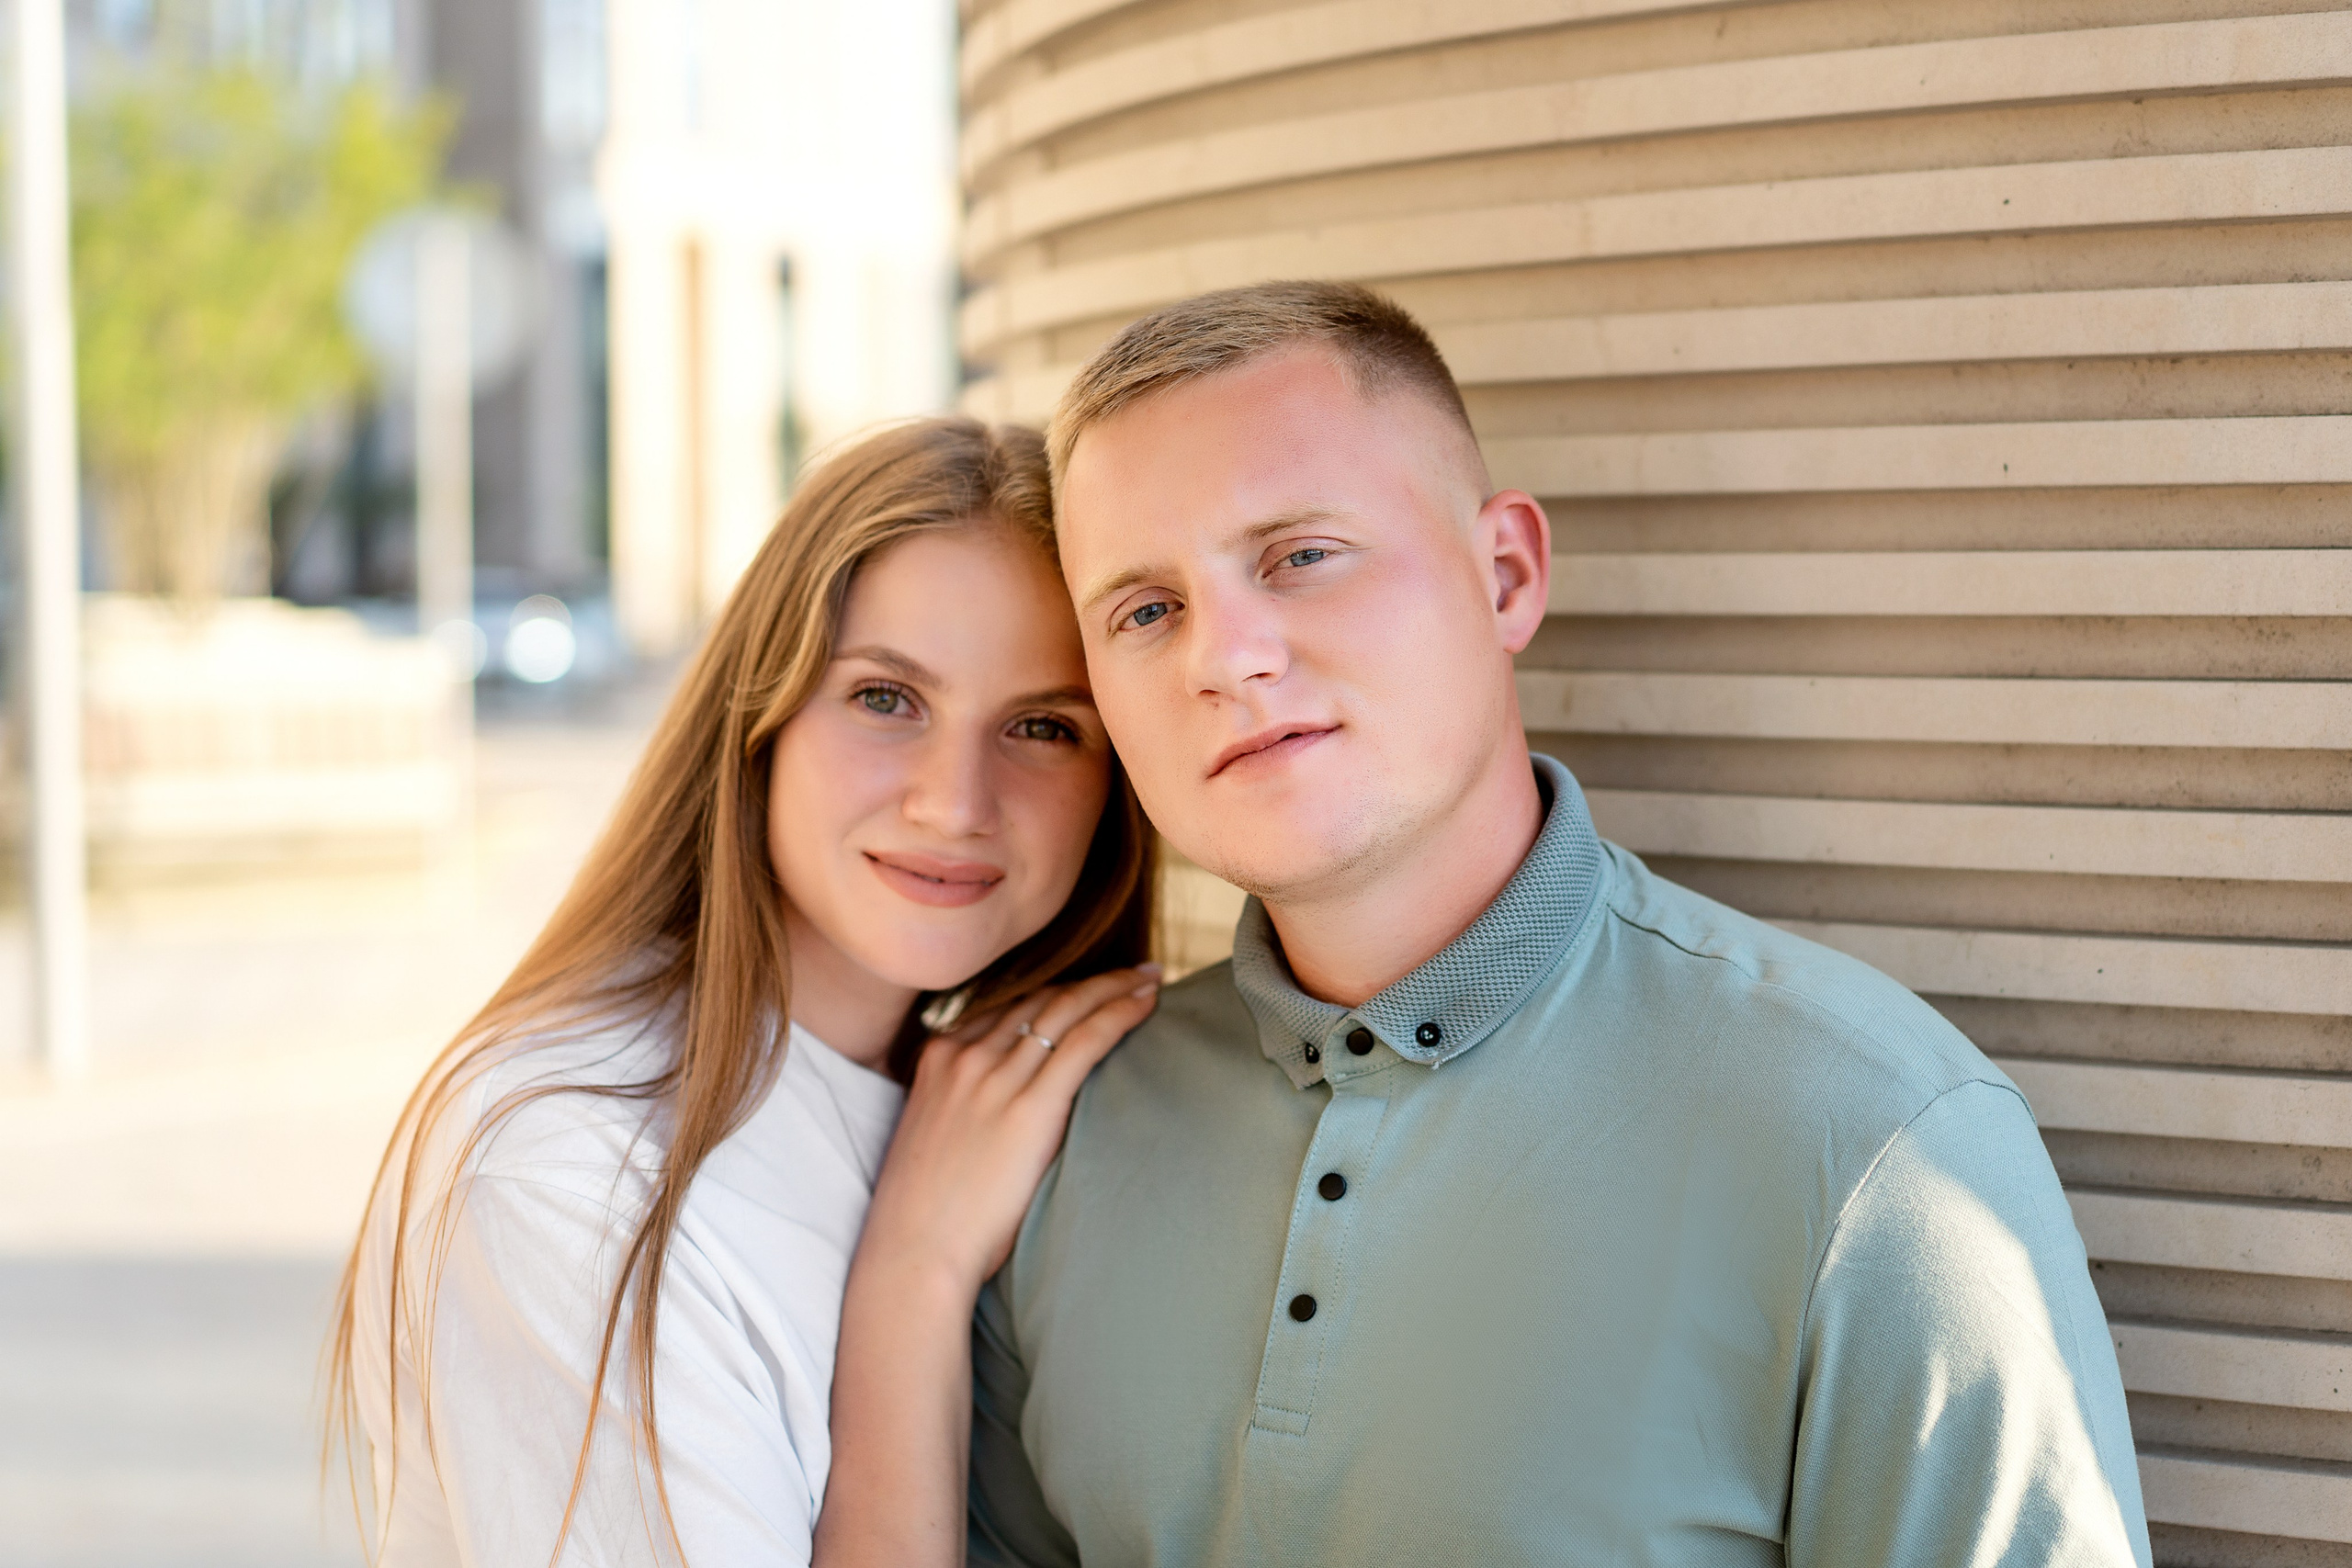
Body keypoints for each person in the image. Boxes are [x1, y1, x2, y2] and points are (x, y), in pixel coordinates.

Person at [926, 282, 2148, 1565]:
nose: (1224, 656)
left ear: (1504, 574)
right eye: (1145, 609)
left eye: (1299, 555)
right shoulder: (1062, 1124)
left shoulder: (1878, 1148)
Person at [328, 417, 1164, 1567]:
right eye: (885, 698)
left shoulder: (1004, 1104)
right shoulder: (571, 1169)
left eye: (1041, 727)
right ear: (757, 719)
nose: (955, 801)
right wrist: (909, 1281)